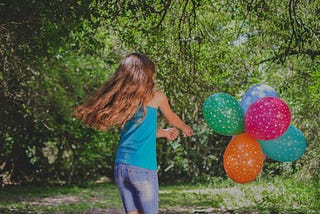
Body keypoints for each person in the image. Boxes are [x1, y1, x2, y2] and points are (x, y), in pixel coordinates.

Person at [73, 53, 193, 214]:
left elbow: (137, 132)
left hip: (121, 167)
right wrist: (185, 127)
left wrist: (163, 133)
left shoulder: (125, 102)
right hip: (142, 168)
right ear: (146, 75)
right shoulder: (156, 97)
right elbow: (172, 118)